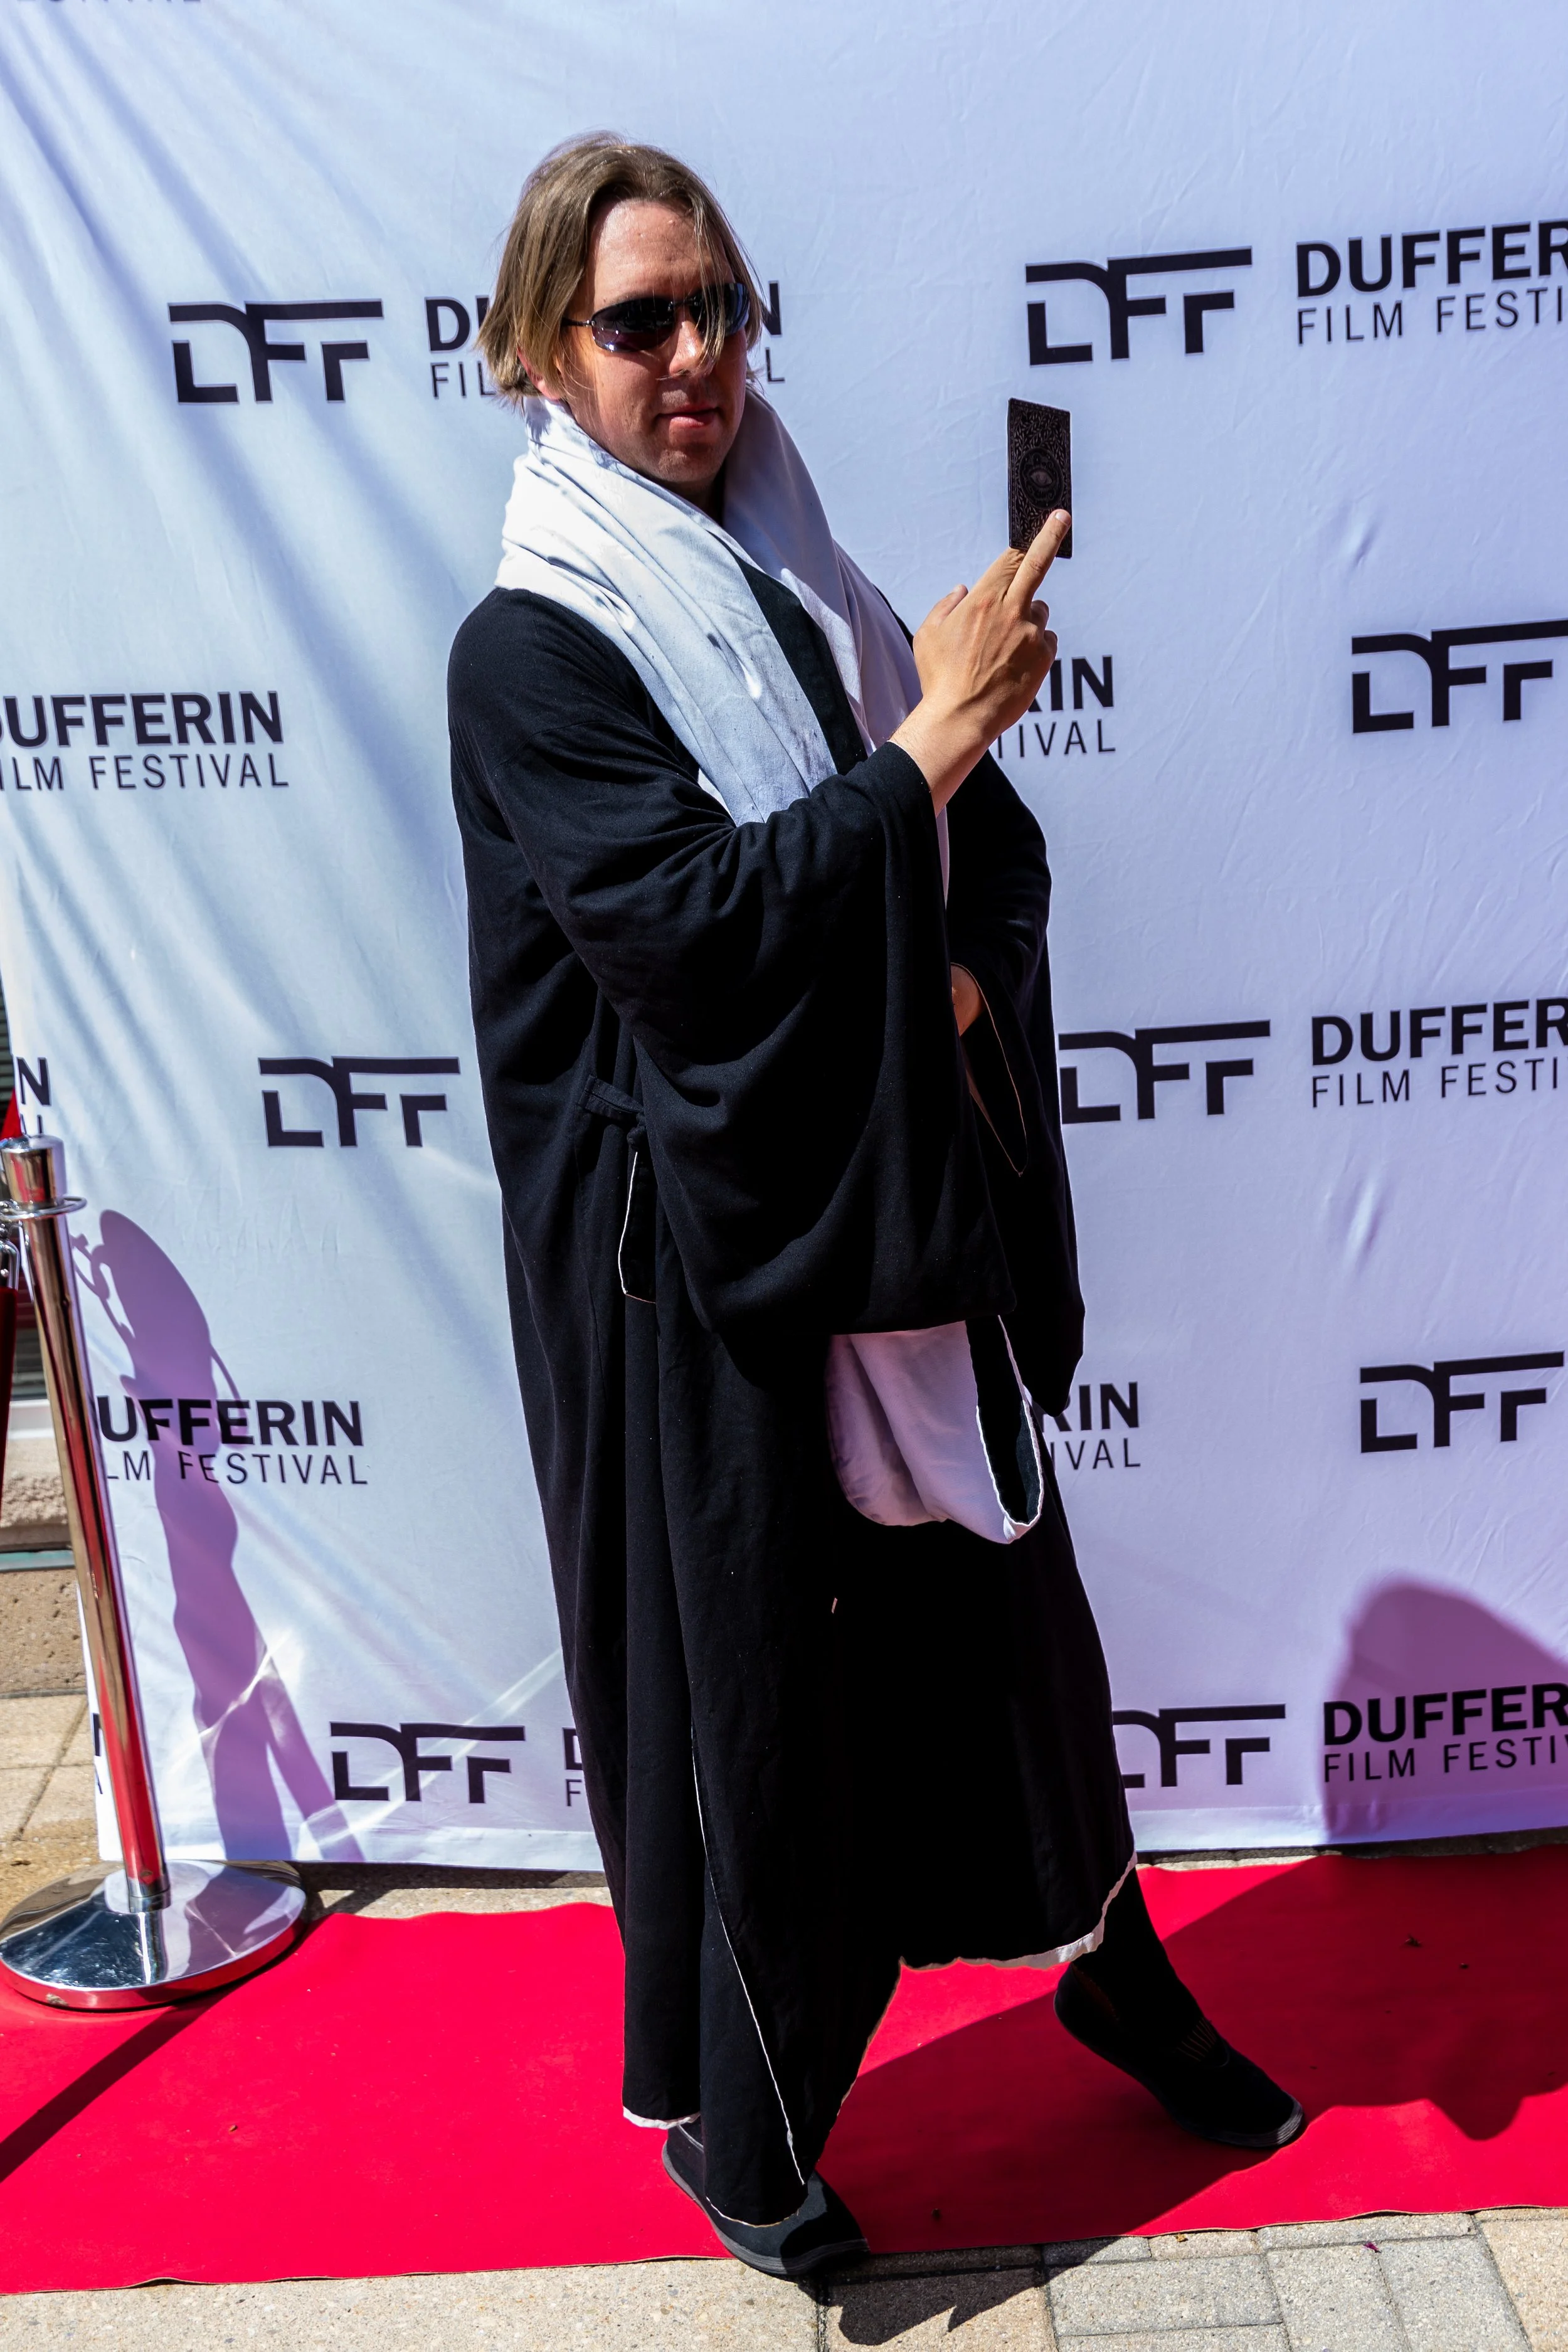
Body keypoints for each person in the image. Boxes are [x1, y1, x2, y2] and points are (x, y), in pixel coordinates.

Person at [448, 132, 1303, 2280]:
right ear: (548, 350)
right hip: (694, 1273)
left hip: (878, 1204)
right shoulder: (533, 644)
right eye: (641, 320)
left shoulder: (790, 581)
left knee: (1007, 1616)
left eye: (722, 306)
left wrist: (938, 886)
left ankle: (1106, 1957)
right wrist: (919, 756)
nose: (697, 355)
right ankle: (748, 2130)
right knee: (761, 1696)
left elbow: (953, 859)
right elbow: (693, 939)